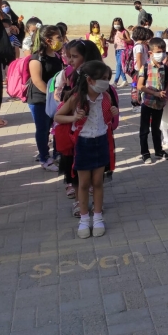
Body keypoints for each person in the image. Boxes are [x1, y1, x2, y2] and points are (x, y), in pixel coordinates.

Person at [55, 61, 119, 239]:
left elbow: (108, 119)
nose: (106, 82)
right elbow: (58, 116)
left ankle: (97, 217)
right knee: (83, 183)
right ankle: (84, 219)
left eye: (107, 78)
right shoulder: (77, 97)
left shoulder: (105, 96)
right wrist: (74, 117)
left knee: (98, 182)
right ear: (90, 80)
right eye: (104, 79)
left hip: (101, 141)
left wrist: (113, 112)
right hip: (83, 143)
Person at [28, 25, 65, 171]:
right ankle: (44, 158)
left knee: (57, 127)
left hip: (54, 99)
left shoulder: (57, 56)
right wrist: (52, 96)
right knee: (43, 130)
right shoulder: (36, 59)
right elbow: (37, 81)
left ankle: (58, 154)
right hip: (39, 100)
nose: (61, 41)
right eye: (59, 38)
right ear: (48, 40)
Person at [137, 38, 168, 164]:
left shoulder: (165, 68)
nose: (161, 54)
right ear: (151, 53)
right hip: (147, 103)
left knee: (156, 128)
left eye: (163, 51)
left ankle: (158, 150)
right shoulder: (145, 67)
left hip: (159, 104)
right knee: (144, 129)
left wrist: (165, 91)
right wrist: (154, 93)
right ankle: (145, 153)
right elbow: (140, 86)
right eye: (158, 52)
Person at [109, 18, 131, 87]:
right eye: (115, 24)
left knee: (118, 65)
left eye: (118, 24)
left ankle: (115, 82)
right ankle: (125, 80)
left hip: (123, 50)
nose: (116, 25)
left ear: (121, 24)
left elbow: (130, 41)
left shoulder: (124, 32)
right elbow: (114, 41)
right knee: (120, 66)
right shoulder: (115, 32)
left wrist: (123, 38)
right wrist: (106, 40)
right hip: (117, 51)